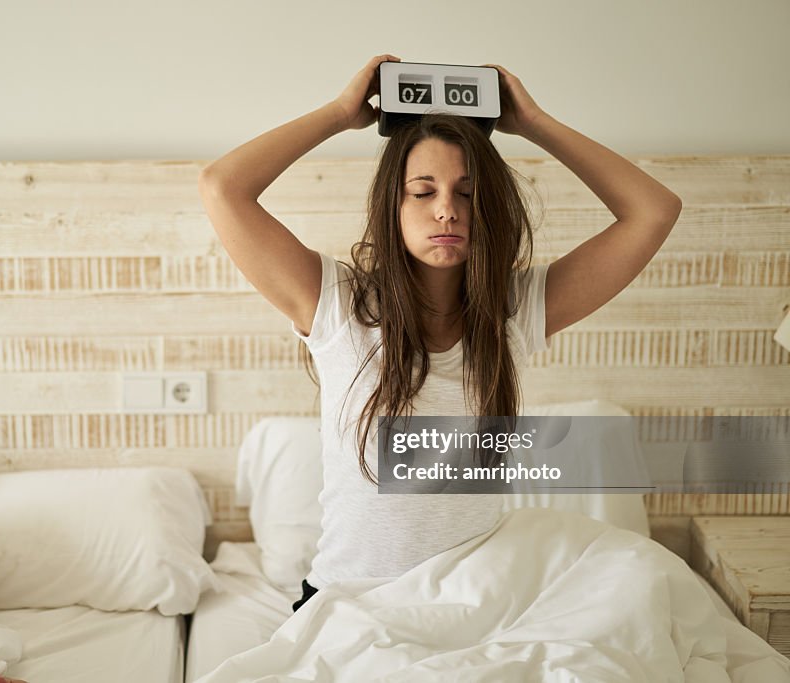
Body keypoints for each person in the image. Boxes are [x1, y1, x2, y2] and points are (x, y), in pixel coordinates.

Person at [198, 55, 681, 611]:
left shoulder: (515, 312)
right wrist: (337, 114)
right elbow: (221, 188)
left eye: (467, 193)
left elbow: (654, 211)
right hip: (351, 604)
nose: (447, 210)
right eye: (423, 192)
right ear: (393, 205)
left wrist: (533, 124)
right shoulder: (337, 305)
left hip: (470, 608)